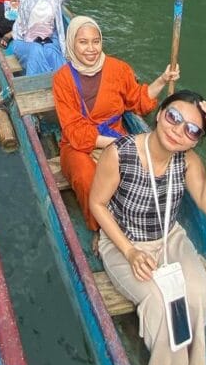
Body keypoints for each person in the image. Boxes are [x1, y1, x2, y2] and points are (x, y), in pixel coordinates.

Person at [89, 92, 206, 365]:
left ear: (196, 140)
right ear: (160, 113)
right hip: (124, 242)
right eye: (174, 117)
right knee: (159, 300)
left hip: (168, 238)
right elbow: (97, 204)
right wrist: (130, 253)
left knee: (197, 292)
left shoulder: (187, 161)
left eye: (193, 130)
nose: (179, 130)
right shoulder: (120, 153)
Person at [53, 16, 180, 231]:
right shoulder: (62, 79)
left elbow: (138, 100)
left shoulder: (118, 69)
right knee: (87, 178)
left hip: (115, 135)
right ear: (71, 43)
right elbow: (73, 129)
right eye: (83, 42)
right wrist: (118, 143)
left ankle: (135, 224)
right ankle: (99, 230)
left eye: (96, 41)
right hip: (77, 145)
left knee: (140, 177)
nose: (91, 49)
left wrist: (163, 80)